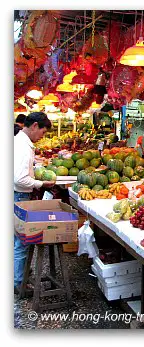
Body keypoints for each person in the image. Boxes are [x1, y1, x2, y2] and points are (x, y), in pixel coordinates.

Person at [14, 112, 54, 293]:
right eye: (43, 133)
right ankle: (19, 283)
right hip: (18, 196)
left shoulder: (19, 142)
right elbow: (20, 179)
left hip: (16, 195)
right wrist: (41, 183)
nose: (42, 137)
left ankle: (18, 277)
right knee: (22, 242)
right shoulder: (22, 146)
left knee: (16, 240)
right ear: (35, 125)